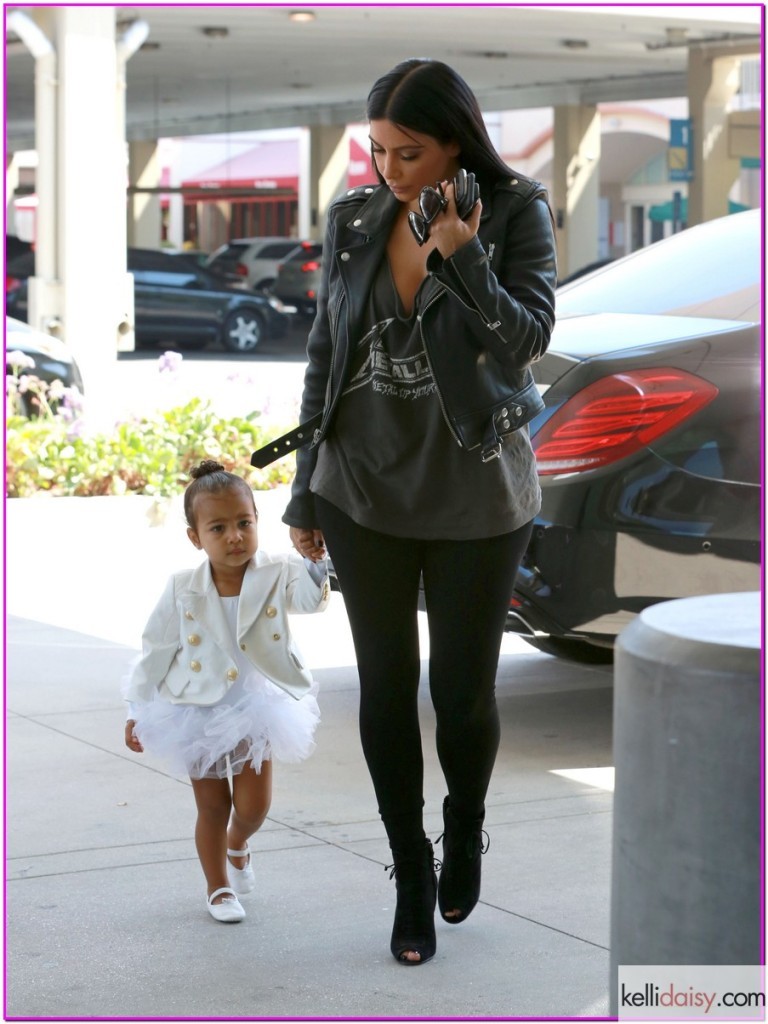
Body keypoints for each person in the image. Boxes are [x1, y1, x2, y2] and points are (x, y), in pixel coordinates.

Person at [283, 57, 557, 965]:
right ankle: (409, 867)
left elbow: (527, 341)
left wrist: (464, 254)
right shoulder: (355, 219)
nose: (389, 170)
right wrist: (303, 486)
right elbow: (326, 346)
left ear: (457, 144)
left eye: (409, 152)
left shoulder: (516, 211)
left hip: (477, 490)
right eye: (378, 150)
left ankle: (463, 822)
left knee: (463, 695)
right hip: (362, 487)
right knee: (386, 688)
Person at [123, 460, 330, 923]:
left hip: (256, 708)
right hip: (195, 709)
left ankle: (239, 844)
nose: (235, 536)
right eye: (218, 528)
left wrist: (319, 566)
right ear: (196, 537)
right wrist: (137, 708)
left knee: (255, 807)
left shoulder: (277, 571)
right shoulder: (183, 588)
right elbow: (155, 649)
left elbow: (307, 600)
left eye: (244, 523)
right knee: (212, 805)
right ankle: (218, 888)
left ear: (257, 520)